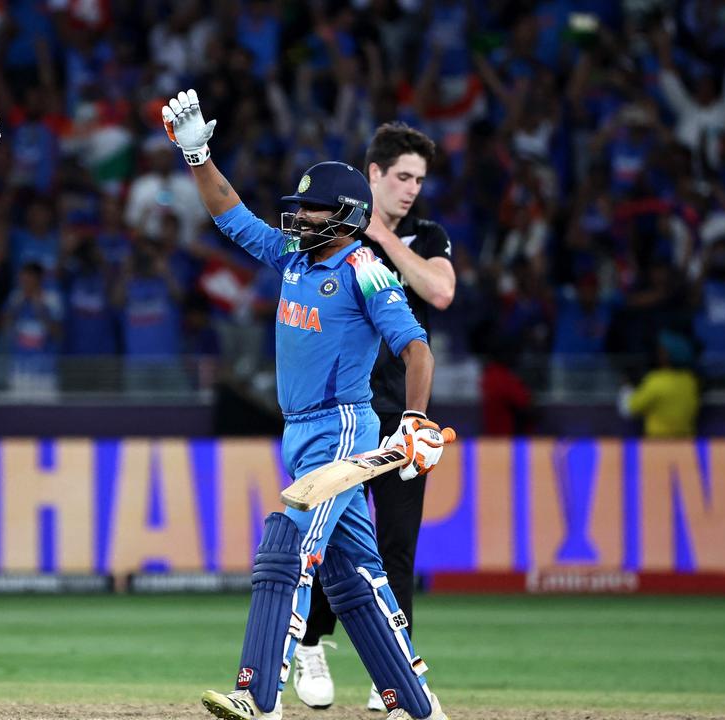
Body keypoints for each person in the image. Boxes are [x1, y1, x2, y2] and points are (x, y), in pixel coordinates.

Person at [161, 89, 449, 720]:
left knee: (286, 547)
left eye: (316, 211)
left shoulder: (366, 268)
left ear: (345, 217)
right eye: (301, 207)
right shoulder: (293, 256)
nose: (302, 218)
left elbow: (418, 350)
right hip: (299, 433)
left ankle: (257, 695)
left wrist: (415, 421)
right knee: (357, 580)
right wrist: (196, 154)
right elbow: (229, 214)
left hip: (343, 430)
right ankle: (418, 706)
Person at [293, 123, 456, 712]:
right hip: (345, 410)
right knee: (333, 532)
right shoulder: (333, 233)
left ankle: (391, 671)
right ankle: (309, 644)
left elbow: (440, 293)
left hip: (405, 413)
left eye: (419, 179)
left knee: (397, 547)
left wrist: (385, 237)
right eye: (403, 177)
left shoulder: (426, 235)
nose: (412, 188)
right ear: (374, 176)